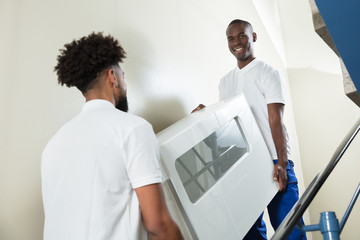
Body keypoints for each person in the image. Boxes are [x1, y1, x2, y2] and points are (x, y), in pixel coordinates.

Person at [41, 32, 183, 240]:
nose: (124, 84)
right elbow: (158, 225)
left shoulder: (52, 146)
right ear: (112, 77)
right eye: (122, 76)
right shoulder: (132, 129)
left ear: (83, 92)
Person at [192, 19, 306, 239]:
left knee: (290, 231)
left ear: (253, 37)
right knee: (249, 232)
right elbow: (228, 124)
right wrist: (207, 112)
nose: (237, 42)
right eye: (231, 38)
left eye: (242, 35)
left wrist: (281, 163)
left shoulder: (267, 72)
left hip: (274, 161)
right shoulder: (225, 82)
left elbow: (276, 120)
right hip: (243, 164)